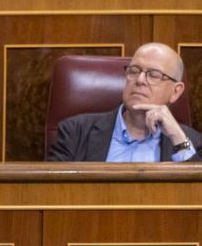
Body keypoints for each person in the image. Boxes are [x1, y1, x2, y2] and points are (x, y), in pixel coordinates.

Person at [48, 42, 202, 162]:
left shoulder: (192, 142)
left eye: (154, 75)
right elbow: (51, 193)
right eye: (134, 71)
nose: (140, 80)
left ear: (175, 92)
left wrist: (178, 139)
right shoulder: (76, 133)